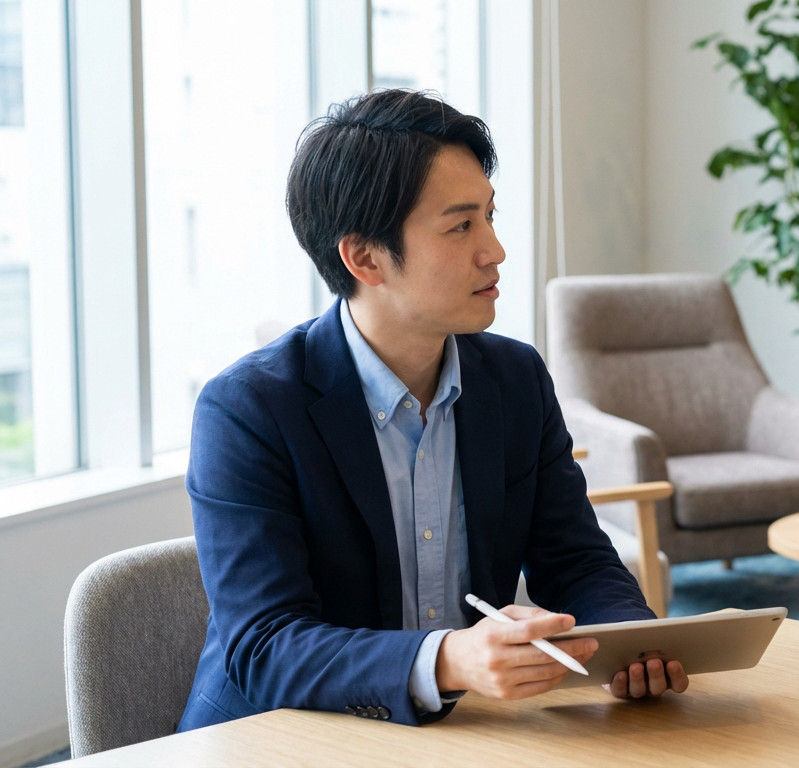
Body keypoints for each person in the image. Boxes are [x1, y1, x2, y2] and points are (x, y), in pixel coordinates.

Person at [178, 89, 687, 732]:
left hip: (461, 731)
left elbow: (575, 559)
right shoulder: (248, 408)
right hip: (280, 736)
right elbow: (265, 646)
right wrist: (446, 658)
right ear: (364, 257)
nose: (495, 250)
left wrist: (632, 644)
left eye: (491, 217)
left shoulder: (514, 378)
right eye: (460, 226)